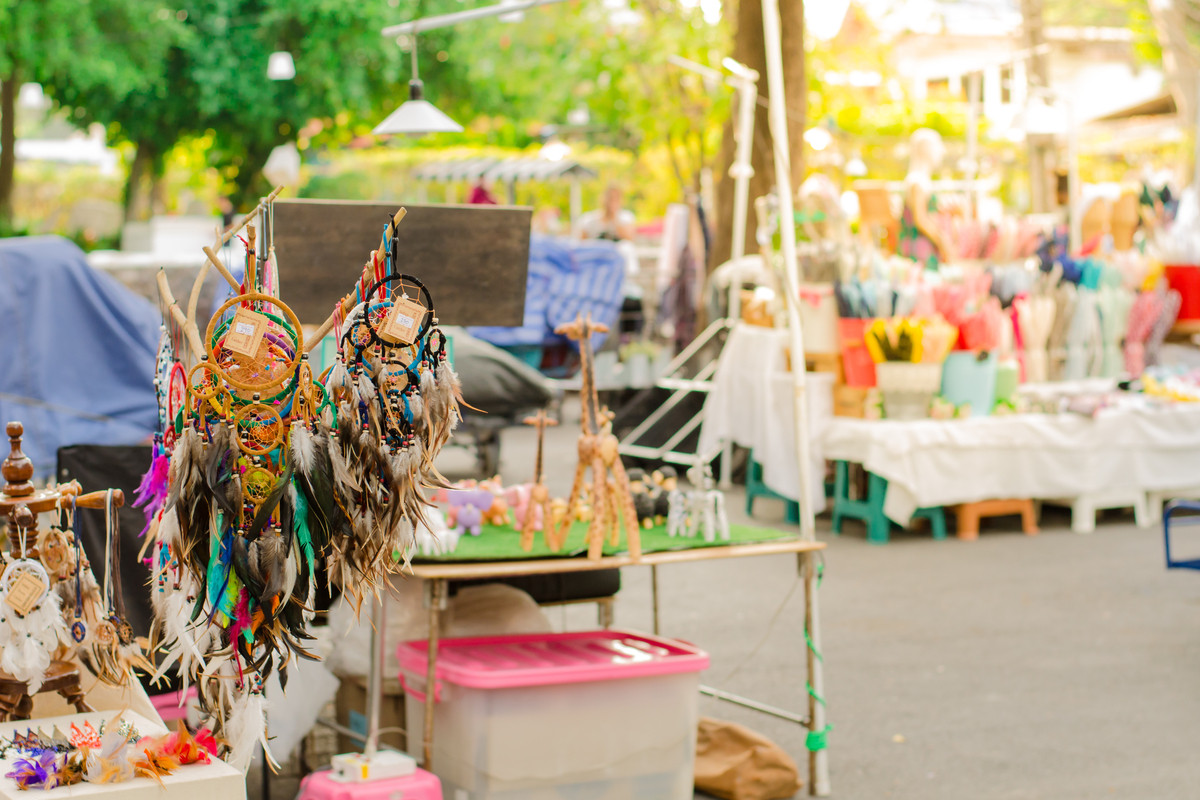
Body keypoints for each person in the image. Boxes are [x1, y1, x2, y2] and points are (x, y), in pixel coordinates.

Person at [897, 128, 952, 269]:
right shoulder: (917, 182)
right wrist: (941, 241)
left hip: (921, 247)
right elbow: (920, 219)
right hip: (919, 250)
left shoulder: (921, 181)